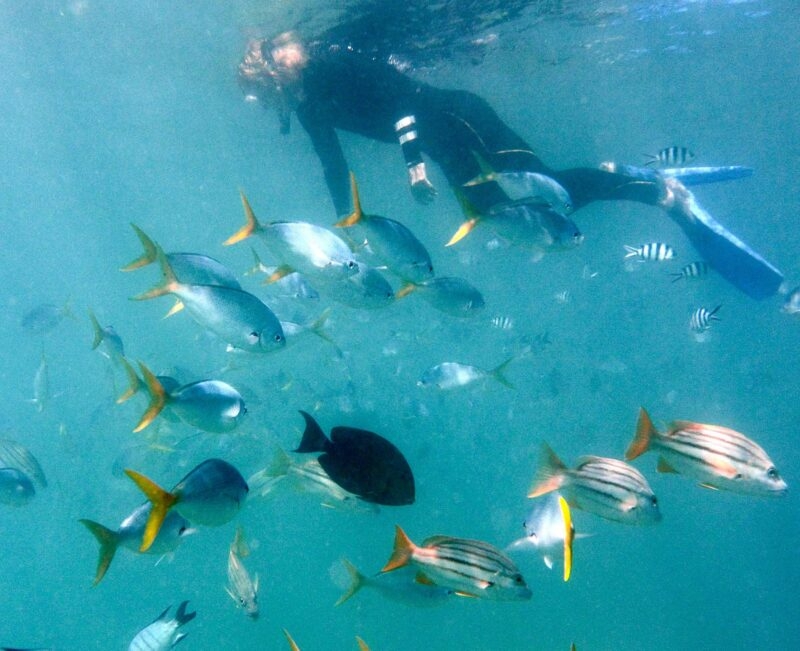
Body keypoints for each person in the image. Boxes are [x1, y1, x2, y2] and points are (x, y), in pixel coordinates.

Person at [237, 31, 783, 300]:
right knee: (500, 213)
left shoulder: (333, 62)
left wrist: (411, 166)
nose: (266, 96)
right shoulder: (307, 104)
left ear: (276, 64)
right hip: (441, 145)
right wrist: (344, 229)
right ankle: (622, 174)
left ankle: (660, 192)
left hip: (460, 116)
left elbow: (403, 103)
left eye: (263, 85)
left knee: (549, 196)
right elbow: (331, 164)